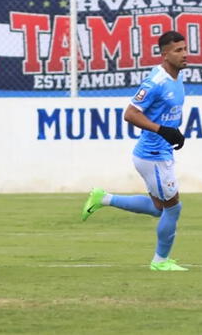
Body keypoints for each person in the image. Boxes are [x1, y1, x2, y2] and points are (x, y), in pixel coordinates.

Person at [81, 30, 188, 272]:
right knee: (173, 207)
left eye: (185, 49)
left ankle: (103, 198)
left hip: (159, 153)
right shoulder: (156, 82)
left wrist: (173, 132)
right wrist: (162, 130)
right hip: (153, 156)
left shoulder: (176, 76)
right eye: (178, 50)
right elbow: (130, 114)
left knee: (158, 208)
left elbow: (165, 114)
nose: (184, 54)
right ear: (164, 54)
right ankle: (160, 261)